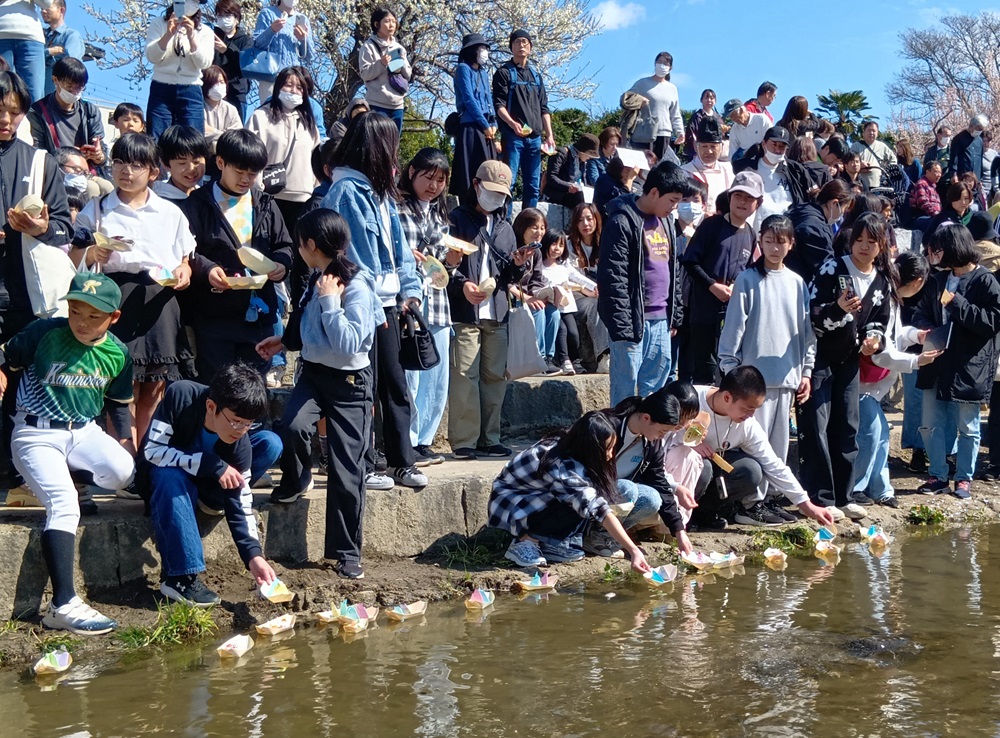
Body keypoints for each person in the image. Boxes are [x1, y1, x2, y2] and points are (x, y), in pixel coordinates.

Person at [2, 272, 134, 631]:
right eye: (76, 311)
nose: (82, 321)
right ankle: (62, 605)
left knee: (123, 471)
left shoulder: (118, 352)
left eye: (94, 316)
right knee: (64, 505)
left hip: (83, 432)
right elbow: (6, 358)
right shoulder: (45, 332)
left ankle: (73, 475)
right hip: (35, 432)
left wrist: (127, 444)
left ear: (114, 317)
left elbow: (119, 407)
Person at [259, 209, 382, 579]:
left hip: (349, 384)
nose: (298, 249)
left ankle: (347, 551)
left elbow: (347, 345)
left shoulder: (355, 285)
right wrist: (284, 340)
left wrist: (331, 302)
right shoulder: (315, 275)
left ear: (311, 245)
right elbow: (306, 323)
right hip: (313, 375)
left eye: (300, 243)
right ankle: (296, 479)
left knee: (347, 469)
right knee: (292, 426)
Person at [320, 111, 425, 489]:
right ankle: (366, 464)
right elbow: (350, 257)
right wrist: (369, 304)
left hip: (390, 303)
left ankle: (401, 461)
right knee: (364, 388)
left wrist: (409, 292)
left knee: (394, 386)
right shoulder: (345, 191)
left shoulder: (381, 194)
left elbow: (401, 253)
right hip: (362, 305)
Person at [72, 133, 195, 448]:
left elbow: (184, 260)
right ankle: (124, 460)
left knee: (154, 385)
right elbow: (73, 255)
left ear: (154, 172)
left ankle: (147, 461)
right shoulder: (97, 209)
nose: (126, 171)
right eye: (119, 163)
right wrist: (91, 255)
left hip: (160, 298)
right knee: (120, 382)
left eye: (136, 165)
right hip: (116, 296)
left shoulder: (169, 212)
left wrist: (183, 272)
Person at [141, 362, 277, 604]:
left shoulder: (240, 443)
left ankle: (207, 505)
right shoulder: (181, 396)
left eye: (249, 424)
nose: (241, 430)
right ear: (212, 406)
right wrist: (210, 463)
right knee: (170, 476)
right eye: (236, 421)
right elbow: (153, 452)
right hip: (167, 484)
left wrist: (253, 555)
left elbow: (241, 500)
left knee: (270, 443)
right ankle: (180, 578)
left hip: (207, 489)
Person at [0, 70, 73, 499]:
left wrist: (43, 226)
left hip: (29, 297)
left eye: (13, 112)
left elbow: (64, 227)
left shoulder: (41, 161)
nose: (5, 120)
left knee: (22, 389)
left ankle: (18, 477)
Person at [716, 214, 815, 525]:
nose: (774, 247)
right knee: (754, 446)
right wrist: (730, 368)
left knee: (778, 446)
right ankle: (749, 502)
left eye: (780, 241)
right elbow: (733, 329)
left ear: (790, 244)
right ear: (760, 242)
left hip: (787, 379)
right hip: (752, 384)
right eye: (769, 240)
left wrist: (807, 371)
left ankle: (771, 499)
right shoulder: (748, 280)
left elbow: (806, 333)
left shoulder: (798, 283)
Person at [798, 213, 895, 521]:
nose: (864, 247)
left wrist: (873, 340)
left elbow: (880, 319)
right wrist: (838, 309)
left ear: (882, 246)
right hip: (819, 359)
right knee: (817, 423)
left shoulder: (881, 280)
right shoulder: (833, 268)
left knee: (848, 425)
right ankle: (820, 495)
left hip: (851, 361)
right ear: (851, 241)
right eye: (859, 240)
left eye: (871, 241)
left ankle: (844, 495)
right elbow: (814, 319)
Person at [179, 127, 292, 383]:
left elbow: (284, 245)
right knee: (216, 384)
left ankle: (251, 426)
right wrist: (207, 269)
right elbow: (185, 250)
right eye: (239, 172)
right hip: (214, 313)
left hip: (258, 314)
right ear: (220, 163)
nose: (245, 179)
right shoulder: (197, 204)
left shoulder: (264, 203)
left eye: (252, 174)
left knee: (252, 387)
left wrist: (281, 265)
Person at [491, 411, 662, 570]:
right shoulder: (561, 465)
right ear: (590, 448)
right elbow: (597, 508)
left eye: (612, 448)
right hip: (517, 506)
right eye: (606, 449)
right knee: (578, 503)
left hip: (542, 499)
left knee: (635, 497)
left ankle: (553, 543)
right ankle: (525, 541)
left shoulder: (572, 446)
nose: (610, 455)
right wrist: (633, 550)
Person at [675, 366, 836, 531]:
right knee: (703, 467)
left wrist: (807, 505)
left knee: (750, 470)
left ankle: (703, 512)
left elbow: (773, 464)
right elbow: (657, 433)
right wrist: (688, 443)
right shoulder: (690, 398)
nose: (751, 415)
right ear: (727, 397)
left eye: (755, 410)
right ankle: (677, 515)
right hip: (679, 466)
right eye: (747, 408)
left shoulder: (747, 423)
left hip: (716, 463)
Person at [447, 160, 533, 460]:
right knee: (464, 375)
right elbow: (445, 264)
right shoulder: (456, 218)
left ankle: (489, 437)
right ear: (476, 185)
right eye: (491, 190)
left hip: (496, 311)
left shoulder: (506, 227)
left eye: (501, 194)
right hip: (464, 311)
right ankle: (464, 440)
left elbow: (507, 276)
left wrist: (518, 265)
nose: (495, 198)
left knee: (495, 377)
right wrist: (461, 285)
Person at [912, 224, 1000, 498]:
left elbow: (992, 323)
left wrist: (957, 304)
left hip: (969, 364)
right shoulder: (937, 280)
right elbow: (920, 313)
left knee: (969, 426)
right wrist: (925, 330)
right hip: (935, 359)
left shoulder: (986, 280)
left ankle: (964, 479)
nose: (935, 255)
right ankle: (937, 475)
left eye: (939, 249)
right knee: (930, 423)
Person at [597, 160, 695, 404]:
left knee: (655, 394)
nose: (674, 208)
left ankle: (648, 442)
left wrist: (675, 316)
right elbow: (613, 278)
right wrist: (623, 326)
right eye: (672, 200)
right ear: (653, 192)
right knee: (625, 396)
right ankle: (623, 440)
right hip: (632, 323)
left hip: (662, 322)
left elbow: (673, 271)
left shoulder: (667, 224)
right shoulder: (623, 221)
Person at [854, 251, 936, 508]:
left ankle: (879, 489)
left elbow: (895, 336)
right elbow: (882, 353)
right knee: (872, 431)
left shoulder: (891, 296)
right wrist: (916, 361)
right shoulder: (885, 297)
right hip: (860, 381)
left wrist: (916, 336)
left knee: (879, 433)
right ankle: (857, 487)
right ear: (918, 281)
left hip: (870, 383)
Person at [397, 147, 452, 466]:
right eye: (428, 177)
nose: (434, 186)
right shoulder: (398, 208)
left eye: (440, 180)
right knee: (412, 374)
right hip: (411, 300)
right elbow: (400, 252)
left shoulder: (441, 214)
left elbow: (444, 263)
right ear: (412, 173)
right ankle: (408, 438)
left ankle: (425, 440)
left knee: (437, 375)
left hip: (439, 302)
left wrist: (453, 261)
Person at [680, 171, 761, 384]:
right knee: (703, 373)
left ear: (758, 204)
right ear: (730, 197)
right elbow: (690, 261)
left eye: (749, 198)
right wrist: (712, 285)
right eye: (738, 196)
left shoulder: (751, 234)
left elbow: (748, 270)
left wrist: (737, 286)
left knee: (726, 373)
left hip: (731, 315)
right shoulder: (712, 225)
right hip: (703, 312)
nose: (742, 202)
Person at [247, 65, 320, 229]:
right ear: (278, 86)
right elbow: (249, 154)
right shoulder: (261, 116)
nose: (293, 91)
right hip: (269, 196)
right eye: (288, 85)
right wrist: (257, 189)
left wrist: (314, 189)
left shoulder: (309, 123)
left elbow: (317, 158)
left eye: (299, 87)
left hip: (303, 198)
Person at [492, 29, 553, 210]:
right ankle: (503, 225)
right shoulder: (503, 73)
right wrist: (512, 123)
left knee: (533, 187)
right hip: (513, 137)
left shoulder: (536, 76)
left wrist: (549, 135)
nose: (522, 45)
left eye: (526, 42)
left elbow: (544, 108)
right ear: (511, 47)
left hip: (535, 138)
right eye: (518, 42)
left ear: (531, 48)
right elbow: (498, 105)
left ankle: (529, 226)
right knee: (507, 185)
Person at [145, 0, 214, 139]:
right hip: (161, 87)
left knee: (192, 140)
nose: (190, 3)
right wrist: (168, 35)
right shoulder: (159, 23)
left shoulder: (205, 31)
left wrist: (191, 36)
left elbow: (205, 63)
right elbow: (152, 56)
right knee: (156, 138)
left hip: (191, 89)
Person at [538, 229, 596, 375]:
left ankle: (575, 360)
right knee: (561, 330)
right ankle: (564, 361)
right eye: (553, 244)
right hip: (551, 306)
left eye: (561, 245)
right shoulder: (540, 266)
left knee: (573, 332)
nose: (557, 248)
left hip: (567, 307)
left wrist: (594, 287)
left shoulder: (564, 265)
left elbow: (578, 278)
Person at [27, 57, 104, 166]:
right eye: (69, 87)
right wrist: (66, 156)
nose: (74, 92)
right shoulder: (37, 112)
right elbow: (35, 151)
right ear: (55, 80)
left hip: (86, 171)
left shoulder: (90, 111)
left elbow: (102, 154)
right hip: (54, 172)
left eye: (80, 87)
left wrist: (99, 156)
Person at [733, 126, 813, 226]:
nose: (777, 150)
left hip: (785, 229)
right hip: (755, 229)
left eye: (782, 147)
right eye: (774, 145)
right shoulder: (747, 168)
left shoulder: (795, 171)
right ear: (764, 144)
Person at [450, 32, 496, 198]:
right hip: (470, 126)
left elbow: (489, 99)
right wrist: (484, 125)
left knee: (488, 171)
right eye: (481, 48)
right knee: (470, 172)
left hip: (487, 128)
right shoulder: (463, 69)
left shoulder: (483, 73)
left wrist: (493, 124)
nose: (484, 52)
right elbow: (469, 100)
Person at [785, 177, 853, 284]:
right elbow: (827, 268)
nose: (842, 215)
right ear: (834, 203)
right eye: (844, 209)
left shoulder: (800, 210)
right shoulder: (816, 229)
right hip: (798, 285)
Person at [567, 203, 609, 372]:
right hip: (575, 297)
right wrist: (585, 289)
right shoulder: (568, 245)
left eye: (589, 219)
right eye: (580, 220)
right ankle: (604, 357)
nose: (586, 224)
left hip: (600, 294)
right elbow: (565, 275)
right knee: (595, 306)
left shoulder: (606, 243)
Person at [358, 6, 410, 134]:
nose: (391, 25)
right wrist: (381, 63)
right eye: (387, 21)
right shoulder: (368, 46)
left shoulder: (399, 47)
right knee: (377, 142)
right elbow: (365, 74)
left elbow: (408, 75)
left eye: (393, 21)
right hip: (377, 104)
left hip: (397, 105)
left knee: (393, 144)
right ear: (377, 24)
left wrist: (402, 62)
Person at [625, 51, 683, 162]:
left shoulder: (672, 88)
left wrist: (680, 132)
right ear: (654, 64)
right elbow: (626, 99)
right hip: (644, 131)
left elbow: (675, 113)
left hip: (664, 133)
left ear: (670, 68)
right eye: (659, 62)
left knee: (657, 166)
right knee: (642, 165)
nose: (662, 65)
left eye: (665, 63)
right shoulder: (642, 83)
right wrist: (639, 101)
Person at [252, 0, 314, 104]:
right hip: (271, 79)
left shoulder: (303, 20)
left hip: (294, 81)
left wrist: (303, 39)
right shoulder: (267, 13)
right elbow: (257, 45)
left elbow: (310, 57)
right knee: (270, 115)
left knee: (292, 118)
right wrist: (271, 30)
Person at [542, 133, 599, 230]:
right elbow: (551, 177)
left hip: (573, 193)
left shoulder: (582, 162)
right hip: (556, 193)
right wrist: (568, 187)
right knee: (580, 198)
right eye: (589, 155)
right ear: (583, 151)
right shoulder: (561, 154)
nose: (589, 158)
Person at [681, 116, 733, 217]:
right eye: (704, 146)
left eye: (713, 146)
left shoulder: (728, 170)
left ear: (721, 147)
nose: (709, 151)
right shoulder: (684, 172)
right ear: (696, 146)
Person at [210, 0, 252, 121]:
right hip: (211, 91)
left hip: (236, 93)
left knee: (235, 134)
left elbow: (245, 64)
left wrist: (226, 50)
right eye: (220, 15)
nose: (223, 19)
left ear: (237, 19)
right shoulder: (212, 36)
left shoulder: (245, 40)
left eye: (227, 15)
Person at [0, 0, 47, 102]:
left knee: (35, 96)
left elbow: (47, 3)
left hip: (31, 36)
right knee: (2, 92)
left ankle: (33, 118)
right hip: (1, 34)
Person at [152, 124, 208, 200]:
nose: (191, 169)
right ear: (165, 164)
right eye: (182, 163)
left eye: (196, 162)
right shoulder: (158, 200)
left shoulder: (206, 196)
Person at [40, 0, 82, 97]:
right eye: (41, 8)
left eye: (47, 7)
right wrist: (50, 52)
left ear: (61, 10)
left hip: (59, 97)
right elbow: (32, 57)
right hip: (38, 96)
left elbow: (71, 65)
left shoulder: (71, 36)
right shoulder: (40, 35)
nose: (43, 11)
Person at [201, 65, 242, 147]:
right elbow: (201, 132)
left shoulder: (231, 109)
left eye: (222, 82)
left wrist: (213, 132)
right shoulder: (198, 108)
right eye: (215, 83)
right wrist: (225, 134)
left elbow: (237, 135)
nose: (219, 86)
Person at [851, 120, 896, 190]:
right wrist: (860, 165)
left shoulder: (882, 146)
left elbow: (893, 160)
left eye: (874, 131)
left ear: (877, 133)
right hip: (860, 185)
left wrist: (886, 171)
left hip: (878, 184)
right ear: (863, 133)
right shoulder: (856, 146)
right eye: (869, 130)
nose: (871, 133)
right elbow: (849, 161)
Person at [593, 155, 639, 220]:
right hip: (603, 221)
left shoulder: (623, 182)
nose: (628, 175)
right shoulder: (604, 180)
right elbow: (622, 200)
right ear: (618, 168)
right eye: (627, 171)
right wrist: (630, 180)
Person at [684, 89, 724, 161]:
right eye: (706, 98)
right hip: (698, 153)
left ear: (715, 101)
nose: (709, 100)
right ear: (701, 100)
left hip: (716, 153)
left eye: (712, 98)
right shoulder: (696, 117)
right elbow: (691, 135)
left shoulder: (719, 118)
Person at [948, 114, 989, 183]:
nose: (979, 131)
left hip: (975, 179)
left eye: (981, 130)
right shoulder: (959, 138)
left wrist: (980, 179)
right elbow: (954, 159)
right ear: (971, 126)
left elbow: (980, 160)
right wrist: (954, 174)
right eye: (978, 129)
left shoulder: (979, 140)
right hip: (962, 177)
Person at [910, 160, 943, 228]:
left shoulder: (933, 186)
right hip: (921, 218)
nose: (939, 175)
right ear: (928, 172)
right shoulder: (921, 184)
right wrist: (937, 215)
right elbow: (923, 202)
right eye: (936, 172)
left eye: (940, 173)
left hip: (933, 217)